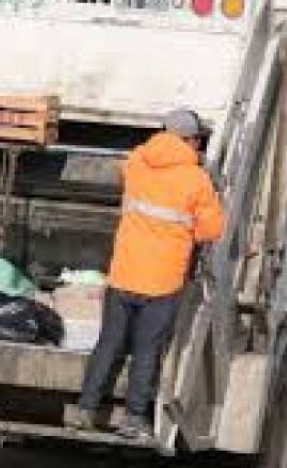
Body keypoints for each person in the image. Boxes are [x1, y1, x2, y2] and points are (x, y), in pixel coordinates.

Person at [70, 108, 225, 439]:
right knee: (146, 350)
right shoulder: (196, 179)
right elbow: (211, 231)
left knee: (108, 343)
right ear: (191, 140)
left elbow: (136, 162)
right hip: (162, 283)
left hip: (123, 274)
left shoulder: (138, 162)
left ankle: (84, 409)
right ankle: (134, 418)